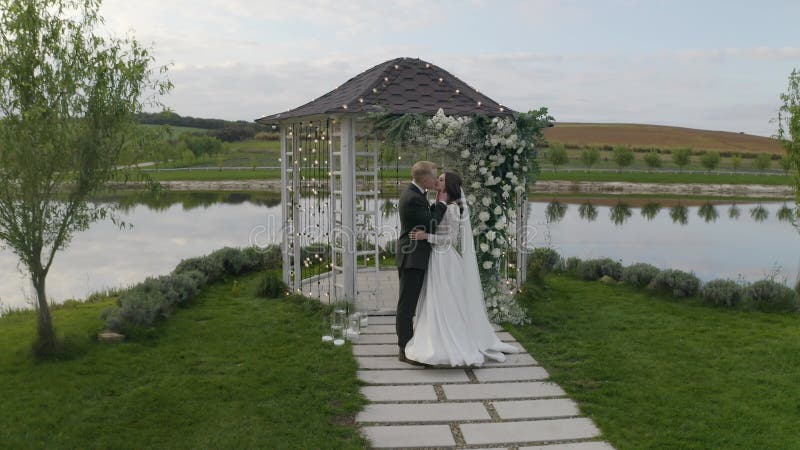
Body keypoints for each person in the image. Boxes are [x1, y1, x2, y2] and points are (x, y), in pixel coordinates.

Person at [404, 171, 520, 367]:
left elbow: (451, 240)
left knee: (445, 300)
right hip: (435, 258)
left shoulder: (452, 209)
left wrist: (427, 237)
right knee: (432, 300)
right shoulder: (439, 204)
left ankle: (450, 342)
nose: (436, 181)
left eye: (440, 179)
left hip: (444, 259)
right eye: (437, 178)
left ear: (448, 185)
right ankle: (432, 338)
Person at [395, 161, 447, 367]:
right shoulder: (412, 198)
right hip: (412, 257)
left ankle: (409, 343)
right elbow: (431, 224)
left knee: (409, 303)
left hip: (414, 255)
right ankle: (404, 349)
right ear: (424, 178)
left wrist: (434, 203)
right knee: (407, 305)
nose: (436, 180)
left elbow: (425, 219)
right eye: (434, 177)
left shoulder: (416, 194)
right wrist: (442, 203)